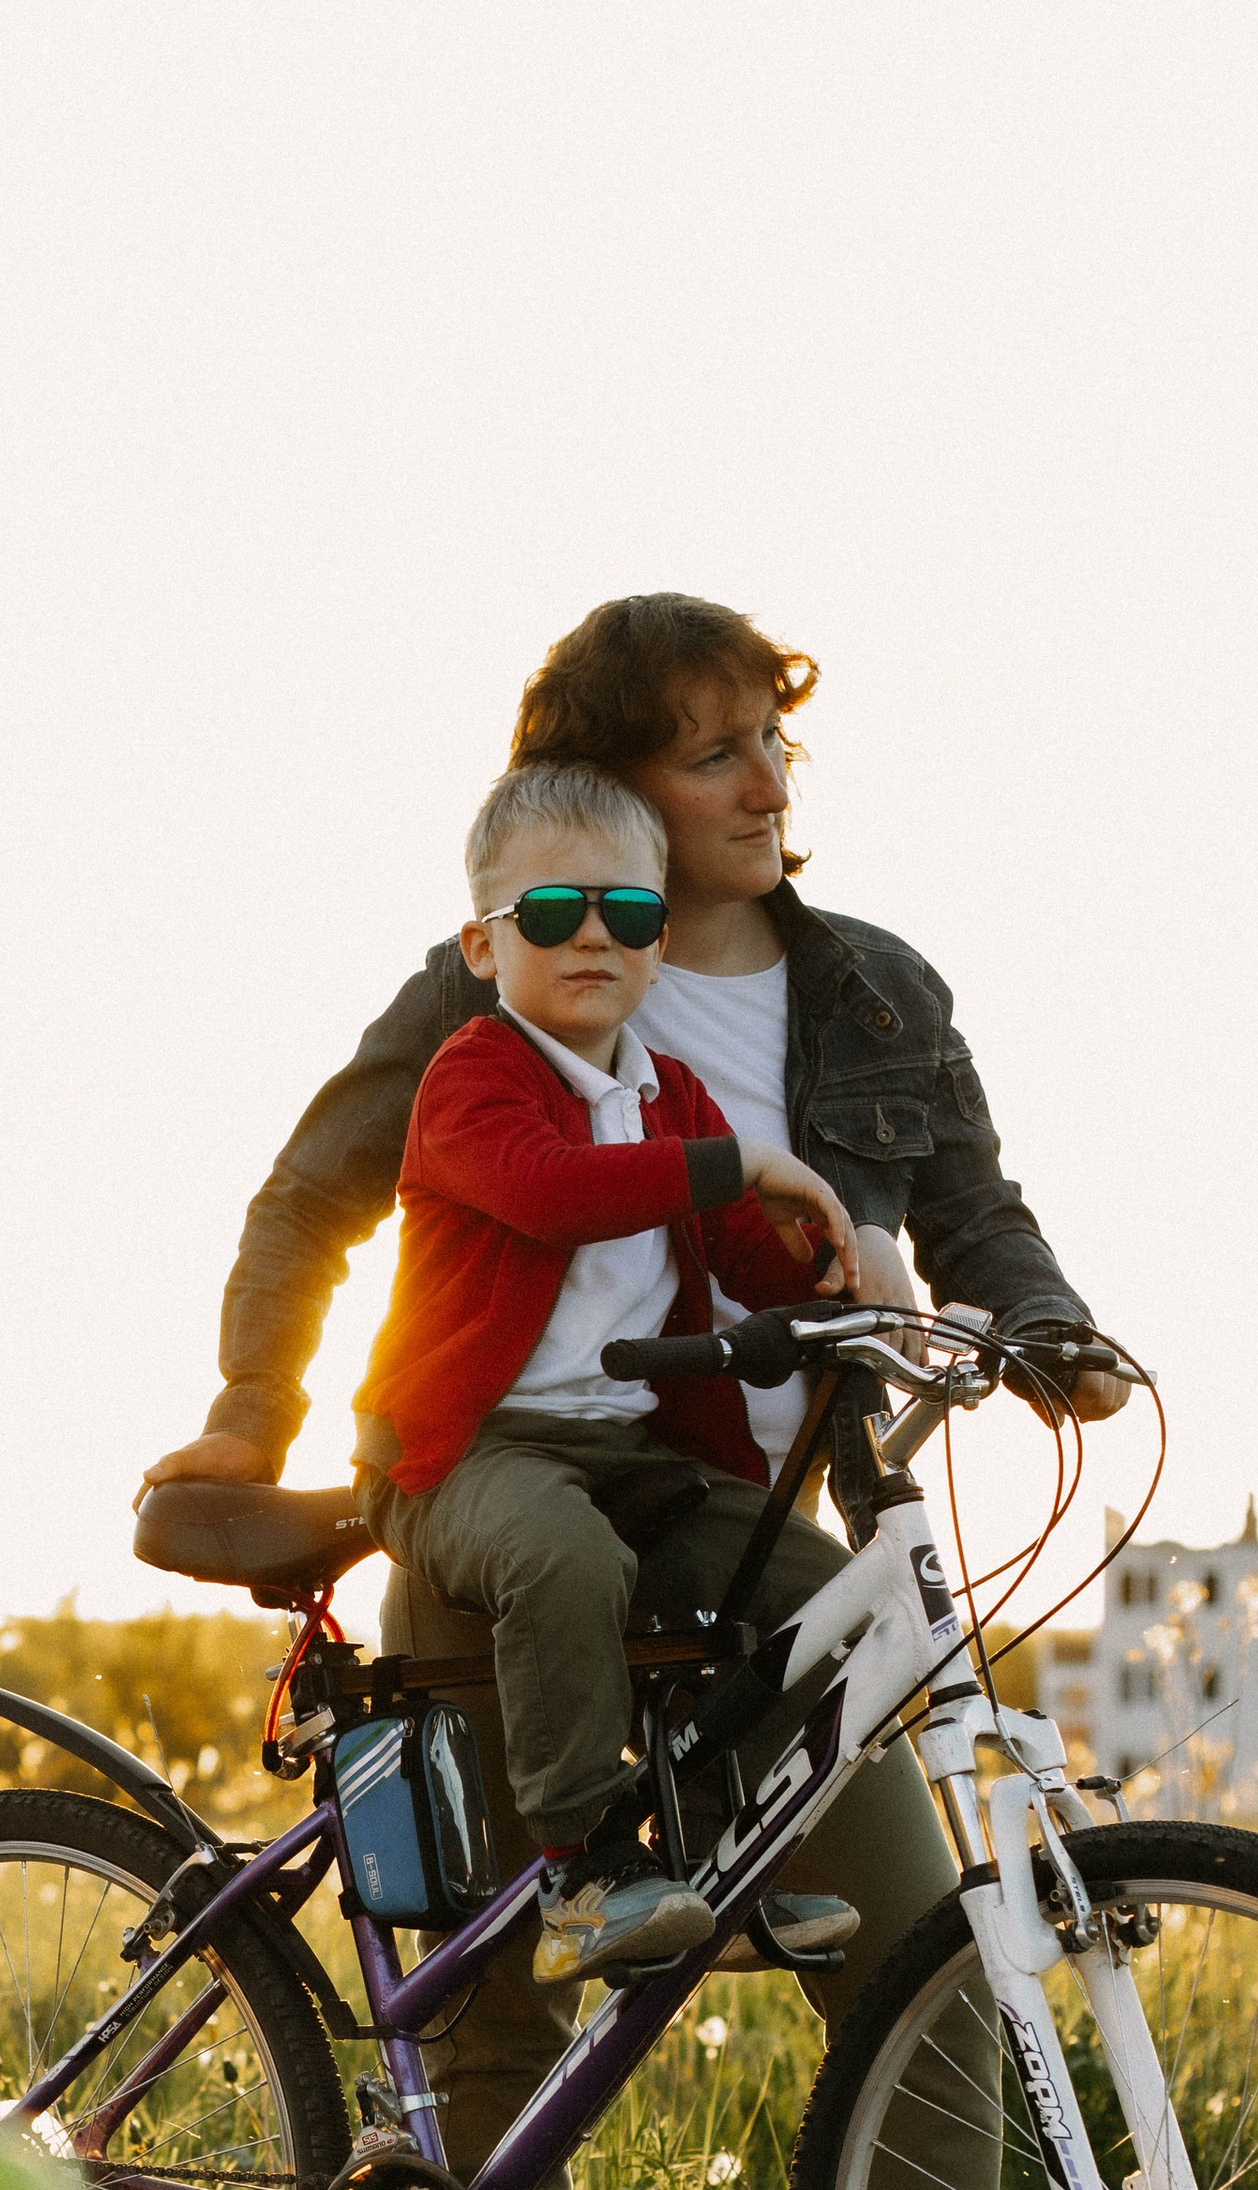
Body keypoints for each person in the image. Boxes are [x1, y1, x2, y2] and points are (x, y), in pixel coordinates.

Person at [141, 592, 1137, 2190]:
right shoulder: (492, 995)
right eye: (711, 750)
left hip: (758, 1549)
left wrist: (1040, 1323)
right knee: (504, 2016)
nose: (764, 782)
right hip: (504, 1536)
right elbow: (311, 1200)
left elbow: (970, 1203)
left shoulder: (870, 989)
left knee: (926, 1970)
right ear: (598, 785)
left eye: (773, 742)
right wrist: (251, 1426)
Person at [352, 753, 873, 1991]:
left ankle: (718, 1855)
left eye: (628, 912)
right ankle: (581, 1871)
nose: (592, 935)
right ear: (483, 946)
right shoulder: (474, 1075)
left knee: (812, 1589)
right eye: (549, 911)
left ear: (658, 945)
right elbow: (546, 1193)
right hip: (464, 1453)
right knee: (564, 1561)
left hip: (628, 1451)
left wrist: (843, 1281)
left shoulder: (671, 1096)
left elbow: (749, 1259)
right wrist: (738, 1163)